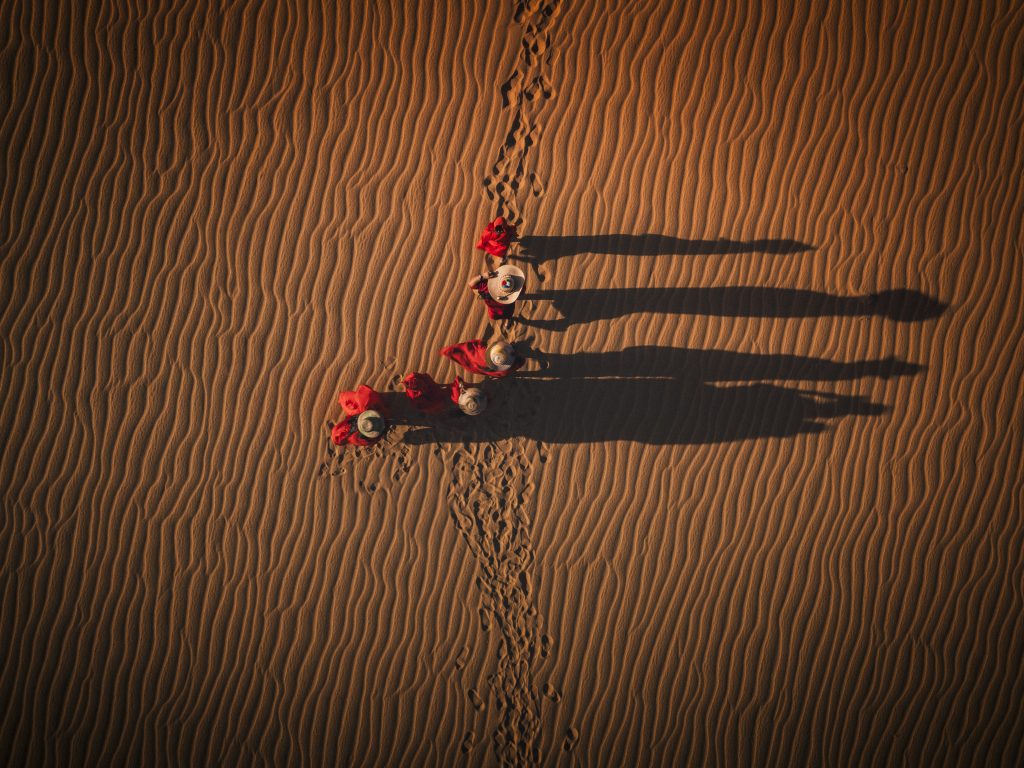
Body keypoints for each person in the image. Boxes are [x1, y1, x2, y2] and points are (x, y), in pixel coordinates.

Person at [440, 338, 524, 378]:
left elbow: (474, 345)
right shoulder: (506, 370)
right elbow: (520, 363)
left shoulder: (481, 352)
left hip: (474, 366)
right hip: (485, 370)